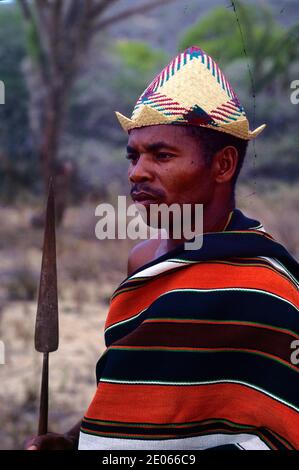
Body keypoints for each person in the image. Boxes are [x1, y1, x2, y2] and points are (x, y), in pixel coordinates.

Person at [25, 46, 299, 451]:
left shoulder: (267, 285)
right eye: (133, 155)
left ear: (222, 166)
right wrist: (71, 442)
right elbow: (137, 391)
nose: (137, 171)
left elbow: (277, 424)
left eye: (162, 155)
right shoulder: (141, 259)